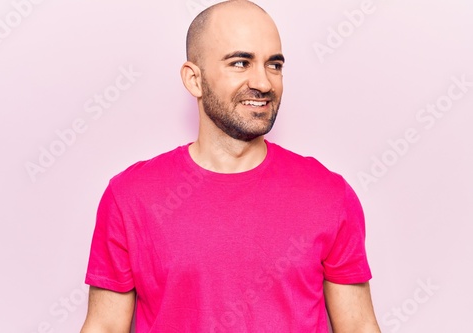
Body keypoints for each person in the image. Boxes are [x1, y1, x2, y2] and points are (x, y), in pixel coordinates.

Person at [80, 0, 381, 332]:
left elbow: (358, 326)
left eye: (274, 65)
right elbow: (105, 326)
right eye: (241, 62)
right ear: (194, 79)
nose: (264, 83)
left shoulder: (329, 194)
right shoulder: (130, 197)